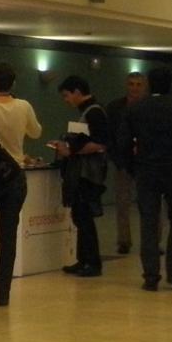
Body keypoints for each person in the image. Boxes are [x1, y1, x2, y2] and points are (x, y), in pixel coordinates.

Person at [121, 65, 172, 291]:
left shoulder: (136, 109)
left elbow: (124, 142)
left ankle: (150, 276)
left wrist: (132, 167)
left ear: (148, 84)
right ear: (170, 84)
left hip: (146, 170)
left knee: (148, 222)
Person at [0, 62, 42, 308]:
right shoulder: (24, 106)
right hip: (16, 175)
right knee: (8, 237)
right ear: (14, 83)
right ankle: (3, 291)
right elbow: (36, 132)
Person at [51, 75, 112, 278]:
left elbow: (100, 143)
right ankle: (83, 259)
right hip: (83, 172)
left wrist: (71, 150)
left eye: (67, 95)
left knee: (84, 217)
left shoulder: (94, 112)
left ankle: (92, 262)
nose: (66, 100)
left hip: (88, 174)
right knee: (79, 216)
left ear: (77, 92)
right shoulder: (88, 112)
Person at [105, 70, 148, 255]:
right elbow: (109, 133)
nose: (134, 88)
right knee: (122, 203)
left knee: (150, 203)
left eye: (138, 85)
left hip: (146, 162)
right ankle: (124, 240)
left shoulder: (151, 107)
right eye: (131, 84)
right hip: (123, 161)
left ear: (144, 87)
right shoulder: (115, 107)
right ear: (126, 85)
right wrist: (116, 157)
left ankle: (153, 241)